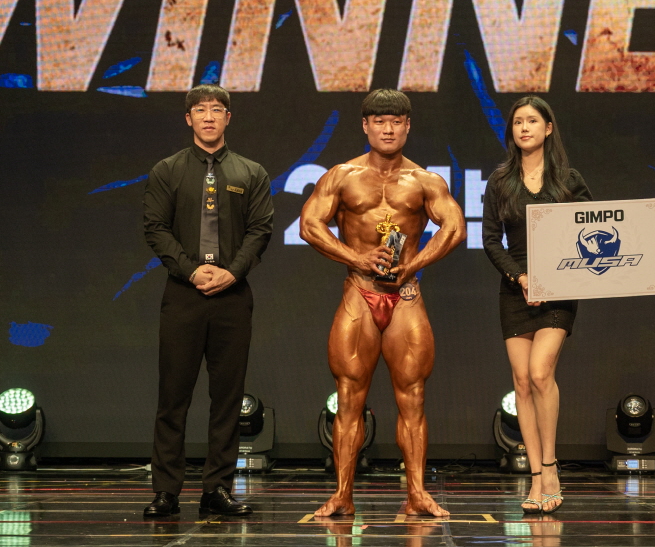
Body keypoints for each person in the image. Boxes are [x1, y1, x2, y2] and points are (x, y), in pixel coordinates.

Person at [299, 89, 465, 517]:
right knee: (349, 396)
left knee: (413, 397)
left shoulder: (426, 181)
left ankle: (417, 495)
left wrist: (413, 265)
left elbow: (454, 228)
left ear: (407, 126)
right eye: (379, 121)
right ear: (365, 125)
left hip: (404, 295)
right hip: (359, 290)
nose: (387, 129)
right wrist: (356, 258)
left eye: (396, 122)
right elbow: (309, 224)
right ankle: (342, 495)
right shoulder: (342, 175)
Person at [142, 84, 274, 519]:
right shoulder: (167, 170)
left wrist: (232, 272)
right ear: (189, 119)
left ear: (228, 118)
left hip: (232, 296)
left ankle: (217, 488)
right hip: (183, 294)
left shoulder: (250, 172)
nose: (209, 117)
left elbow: (260, 230)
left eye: (217, 110)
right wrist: (192, 270)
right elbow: (156, 227)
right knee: (172, 396)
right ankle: (166, 491)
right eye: (201, 110)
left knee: (228, 398)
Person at [482, 97, 591, 514]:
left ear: (548, 128)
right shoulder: (500, 181)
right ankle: (533, 477)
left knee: (541, 372)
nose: (524, 128)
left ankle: (550, 468)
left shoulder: (568, 179)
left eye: (532, 121)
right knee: (522, 382)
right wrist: (520, 277)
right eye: (517, 122)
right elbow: (491, 239)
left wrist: (652, 221)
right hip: (517, 288)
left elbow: (600, 224)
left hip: (559, 286)